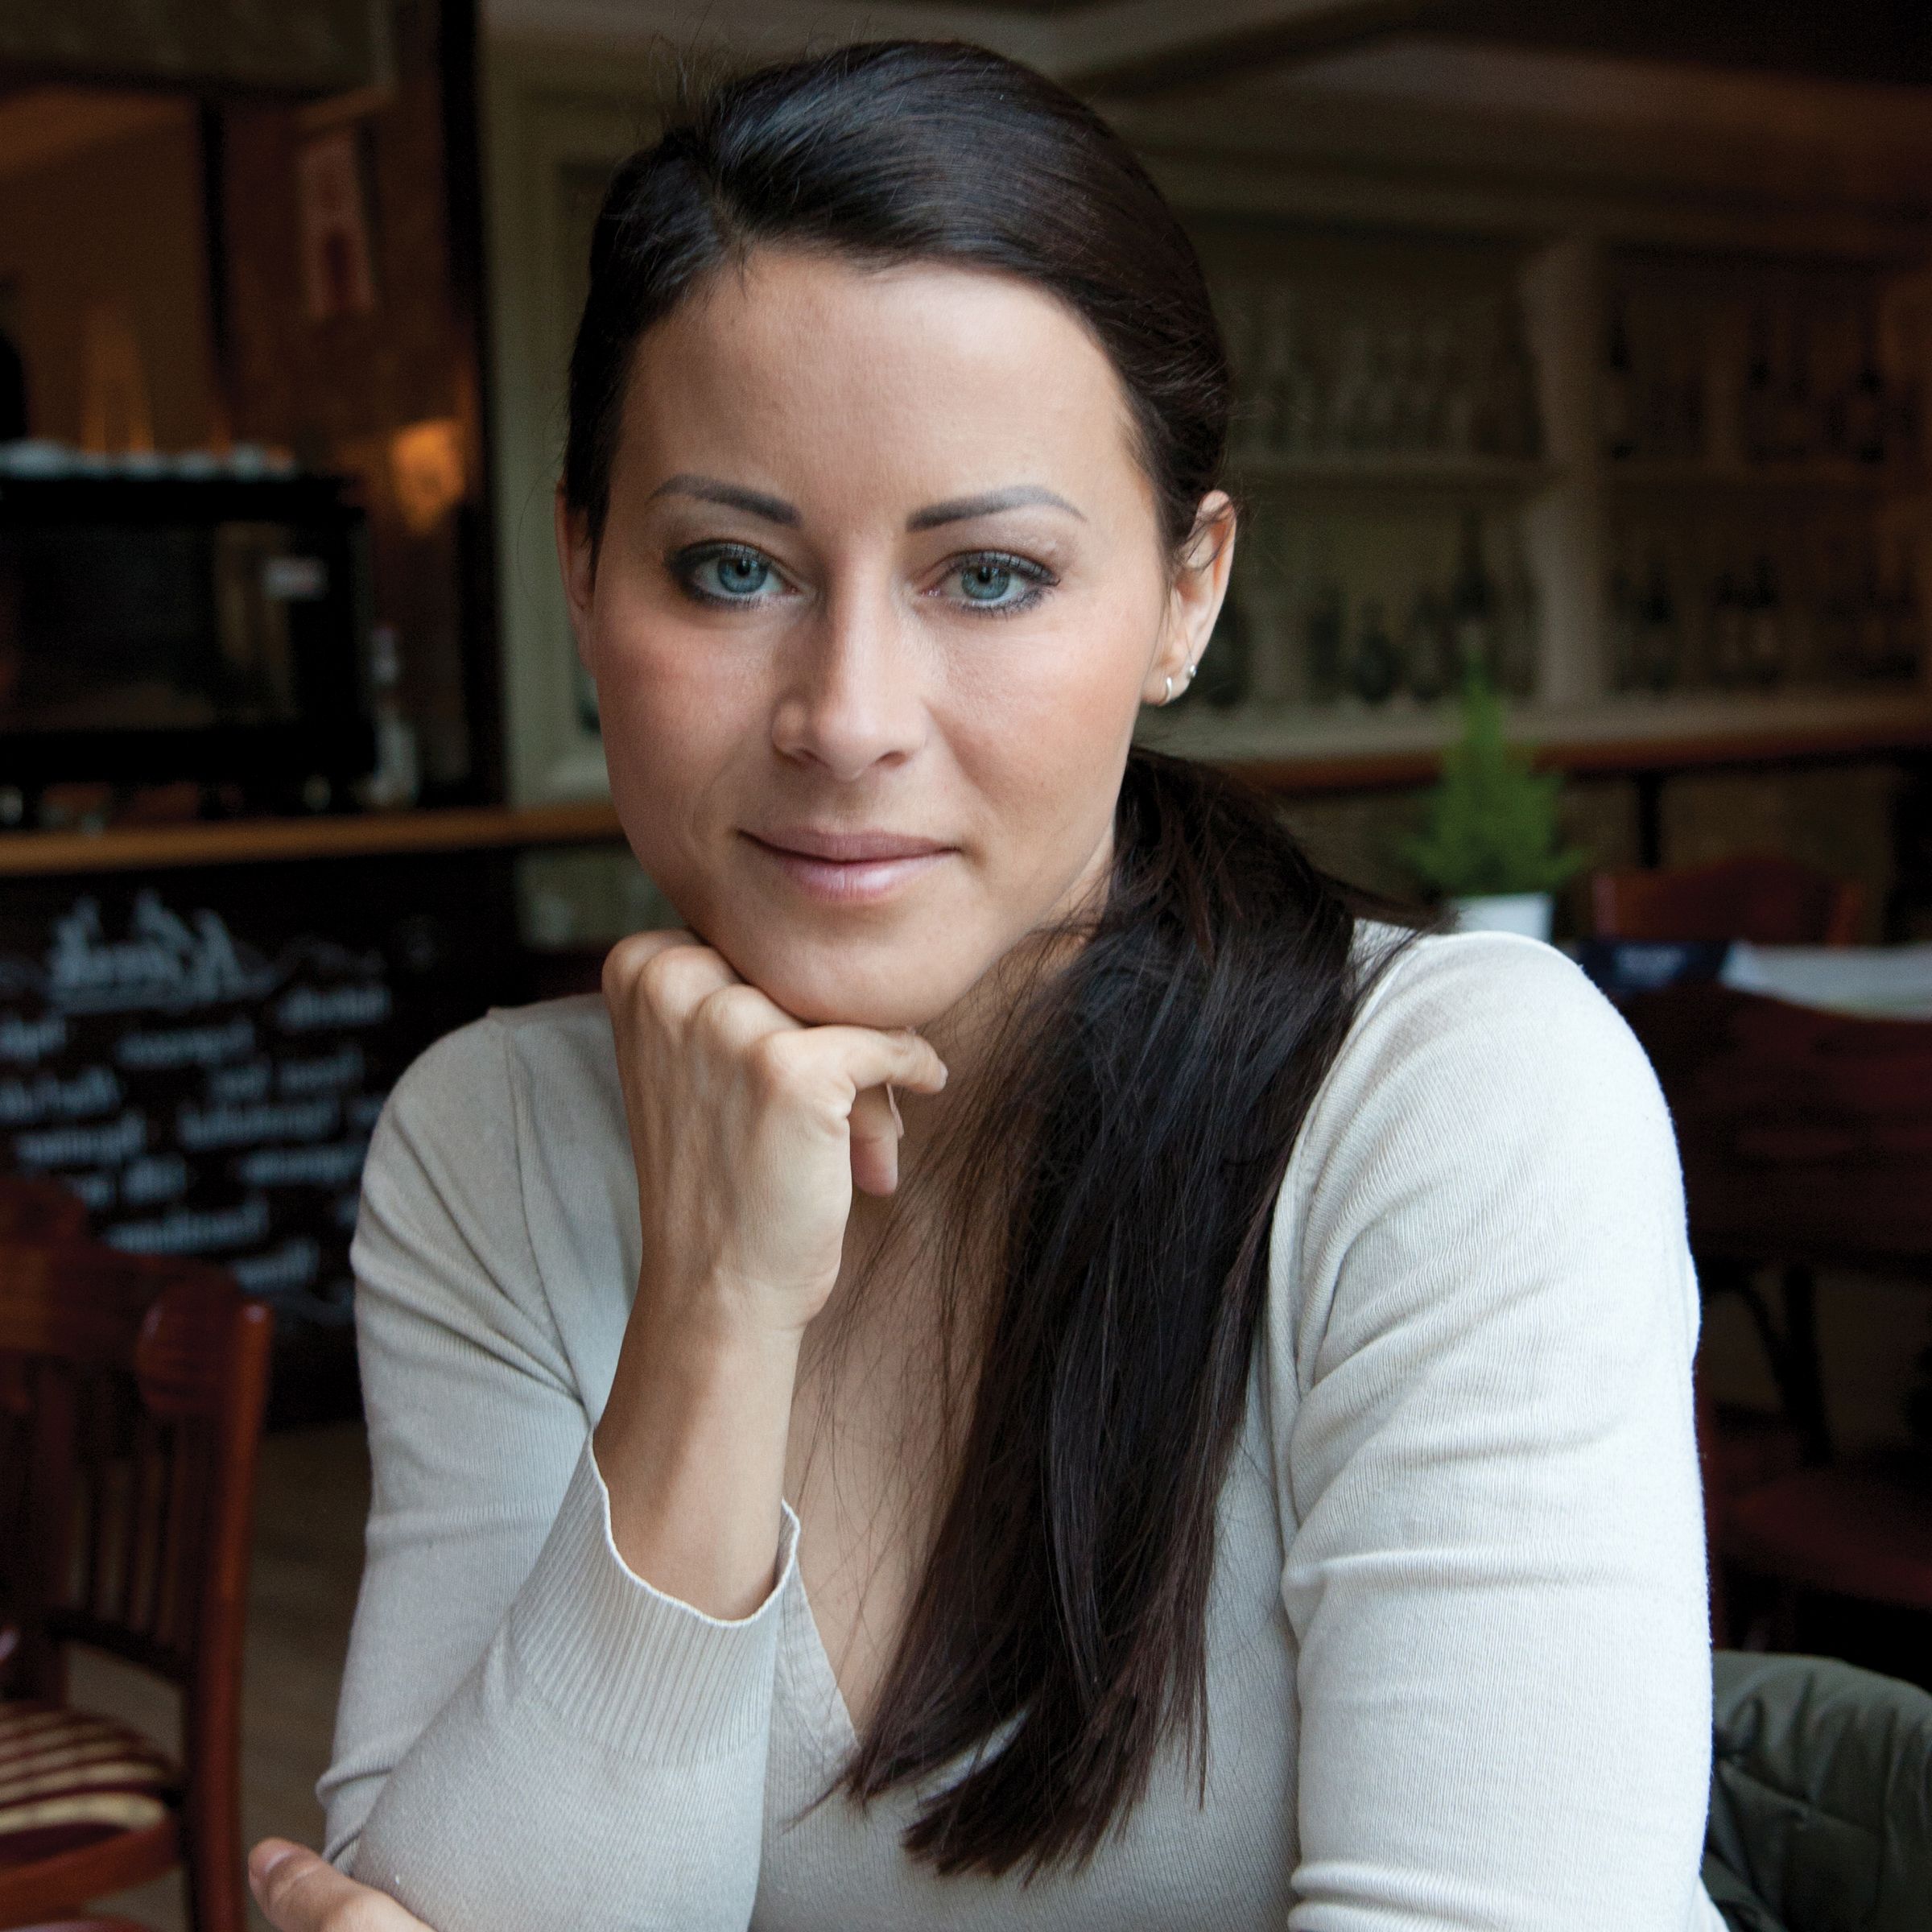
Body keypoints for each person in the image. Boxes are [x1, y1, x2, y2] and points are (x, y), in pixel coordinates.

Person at [247, 39, 1724, 1931]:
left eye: (993, 577)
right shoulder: (492, 1146)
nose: (848, 718)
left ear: (1186, 593)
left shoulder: (1456, 1107)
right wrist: (709, 1314)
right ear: (582, 568)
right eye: (730, 567)